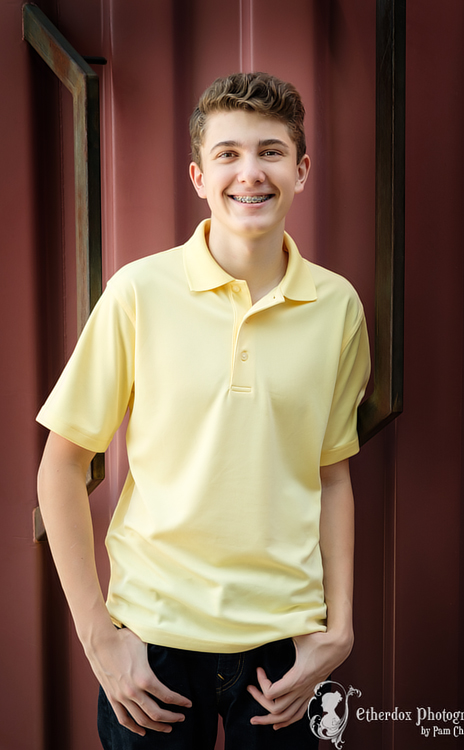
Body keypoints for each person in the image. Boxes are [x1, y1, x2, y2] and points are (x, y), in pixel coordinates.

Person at [36, 72, 370, 750]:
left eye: (271, 152)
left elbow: (332, 473)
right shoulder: (138, 292)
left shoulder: (338, 307)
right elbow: (62, 467)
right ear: (198, 175)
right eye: (229, 153)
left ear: (302, 171)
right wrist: (101, 638)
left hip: (285, 653)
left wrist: (339, 628)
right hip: (153, 647)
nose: (251, 172)